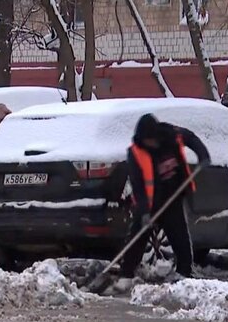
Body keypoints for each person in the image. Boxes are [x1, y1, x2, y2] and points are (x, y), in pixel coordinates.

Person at [85, 114, 211, 293]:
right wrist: (144, 212)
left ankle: (184, 273)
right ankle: (126, 275)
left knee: (179, 235)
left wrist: (202, 154)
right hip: (150, 200)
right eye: (147, 140)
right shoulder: (136, 152)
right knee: (138, 236)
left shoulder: (170, 134)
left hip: (174, 192)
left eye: (152, 139)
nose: (150, 143)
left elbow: (191, 138)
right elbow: (138, 185)